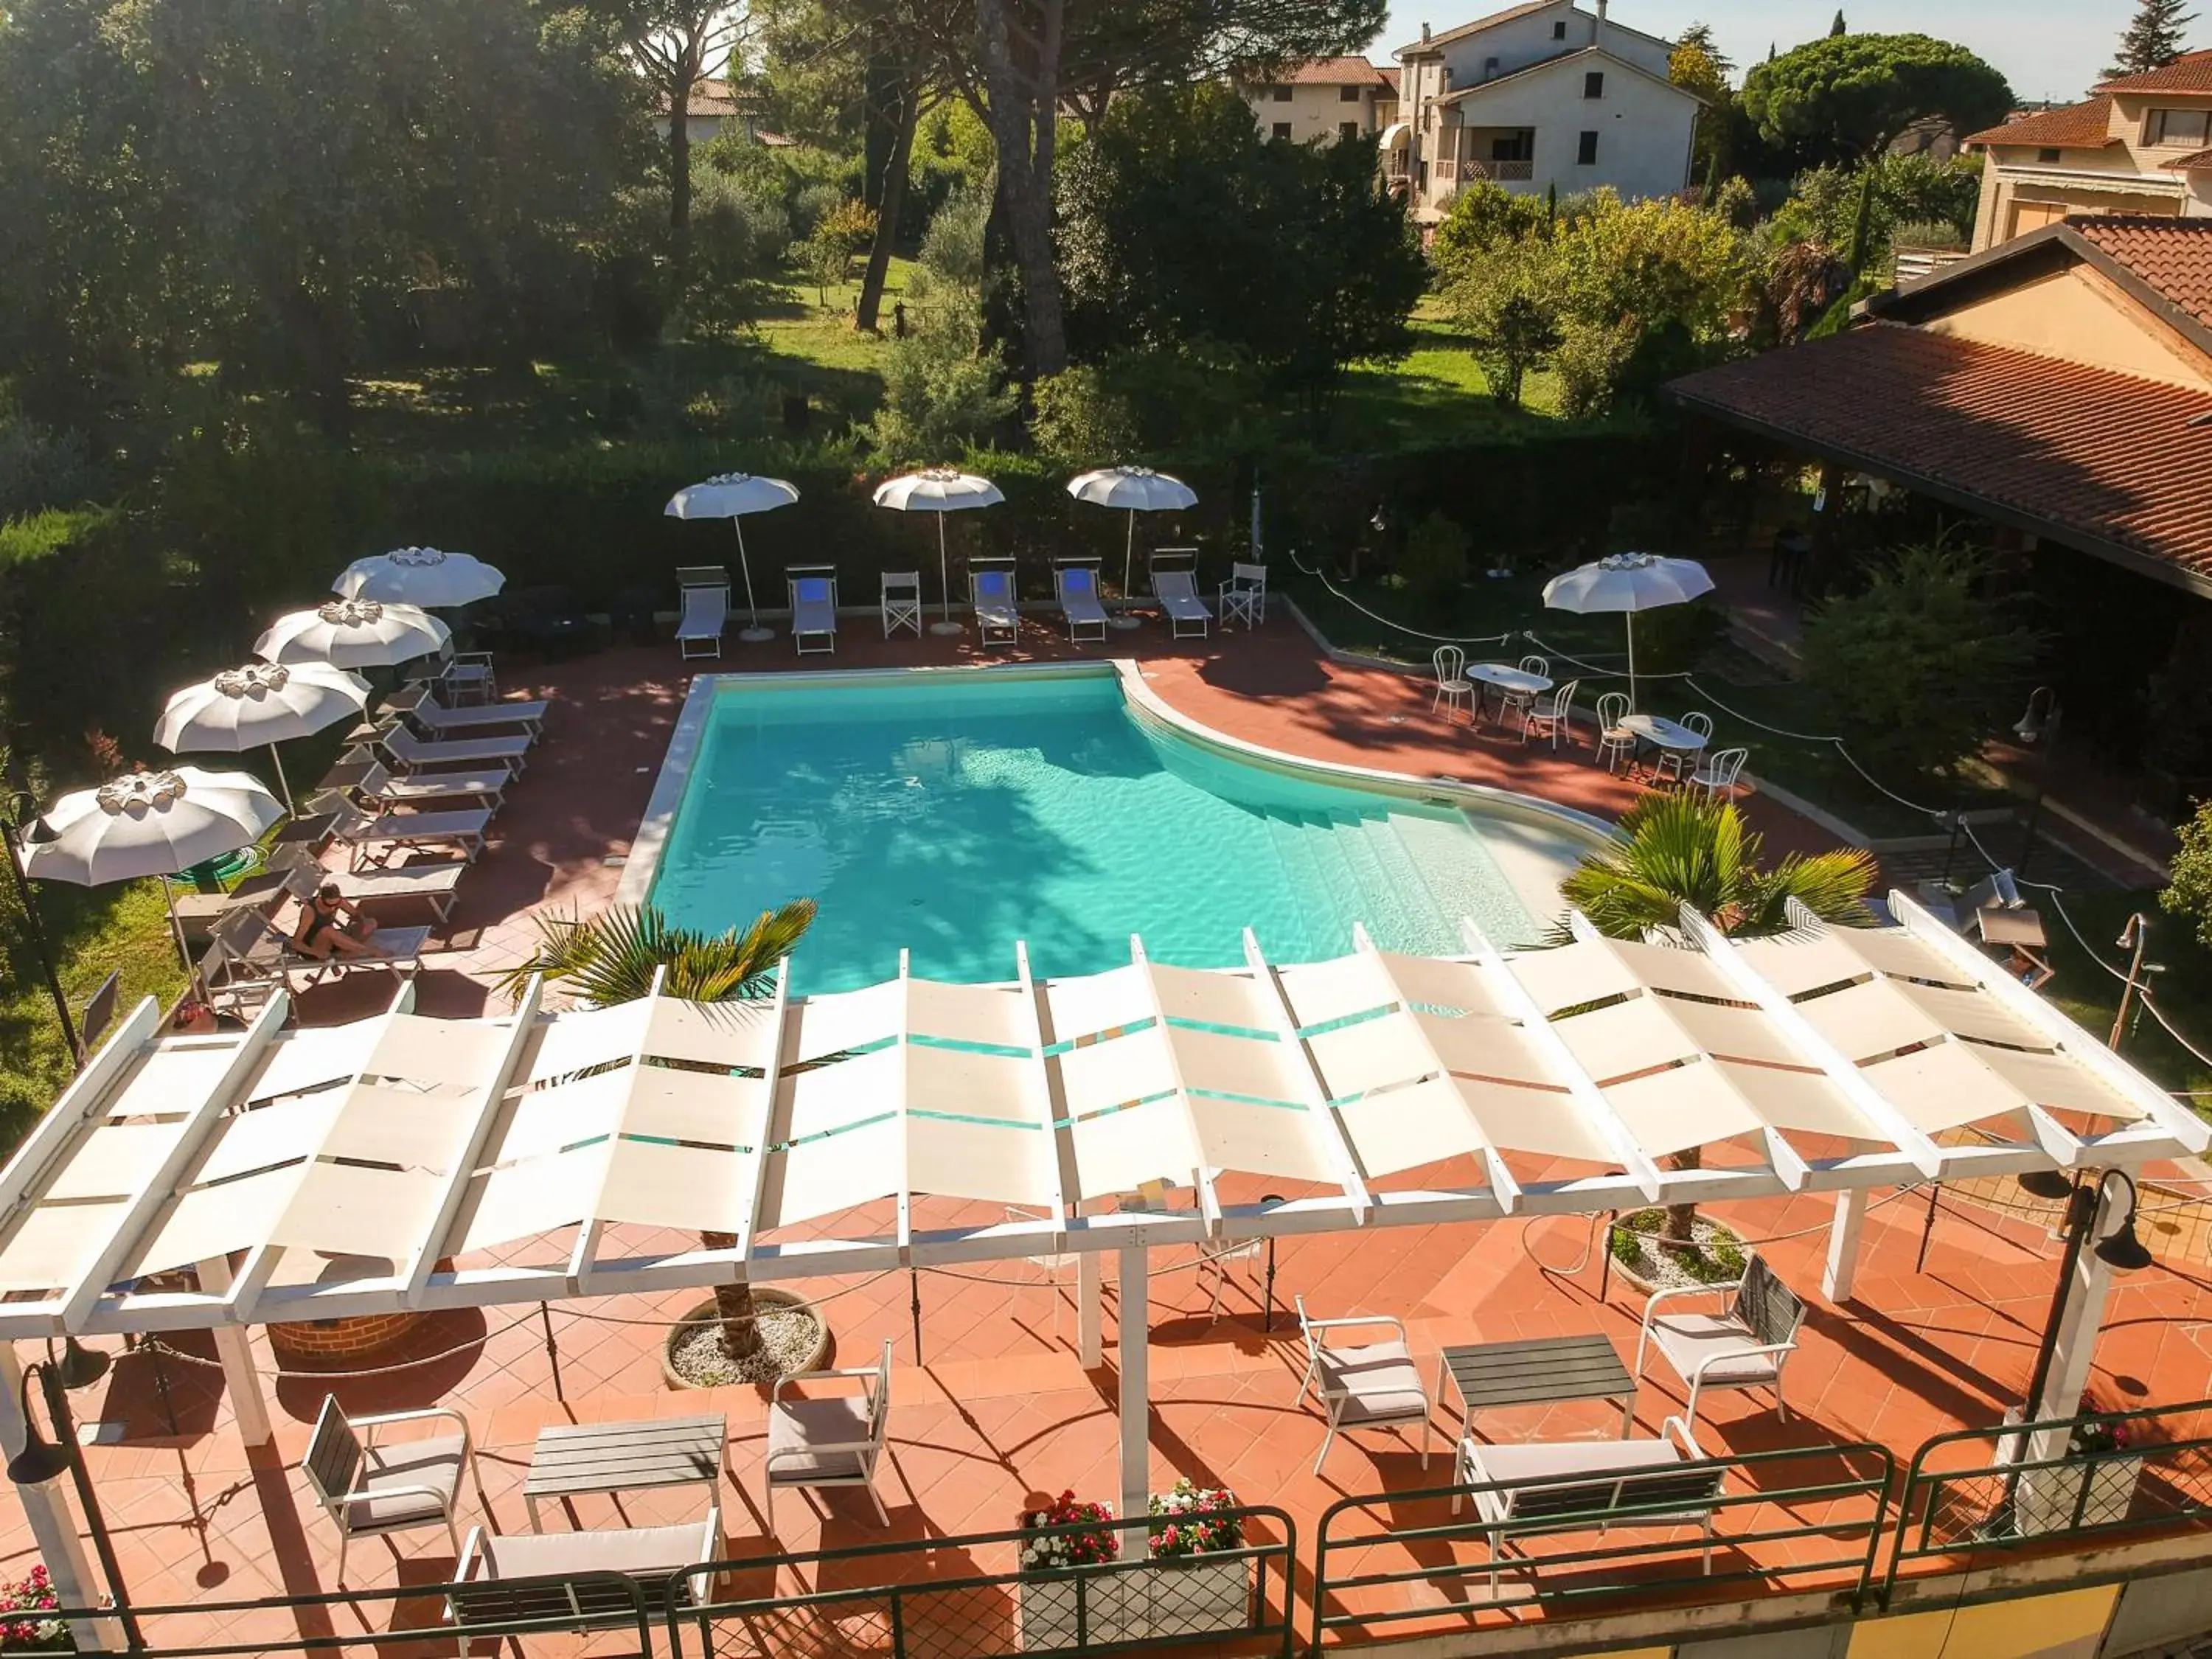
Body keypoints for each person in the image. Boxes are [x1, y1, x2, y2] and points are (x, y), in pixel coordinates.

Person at [292, 883, 380, 959]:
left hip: (331, 943)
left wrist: (364, 920)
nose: (332, 907)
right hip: (315, 948)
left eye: (336, 904)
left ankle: (348, 951)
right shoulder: (310, 911)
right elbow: (296, 943)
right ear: (321, 899)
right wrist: (315, 952)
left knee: (372, 923)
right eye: (329, 905)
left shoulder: (338, 902)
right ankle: (366, 950)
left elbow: (356, 913)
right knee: (327, 930)